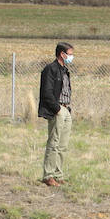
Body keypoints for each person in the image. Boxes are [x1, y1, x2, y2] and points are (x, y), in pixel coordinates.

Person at [38, 42, 74, 187]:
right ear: (62, 54)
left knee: (63, 145)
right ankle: (48, 175)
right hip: (57, 110)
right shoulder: (50, 69)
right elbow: (46, 92)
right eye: (70, 54)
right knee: (53, 143)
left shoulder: (65, 70)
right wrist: (57, 109)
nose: (71, 57)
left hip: (66, 109)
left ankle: (58, 175)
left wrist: (66, 110)